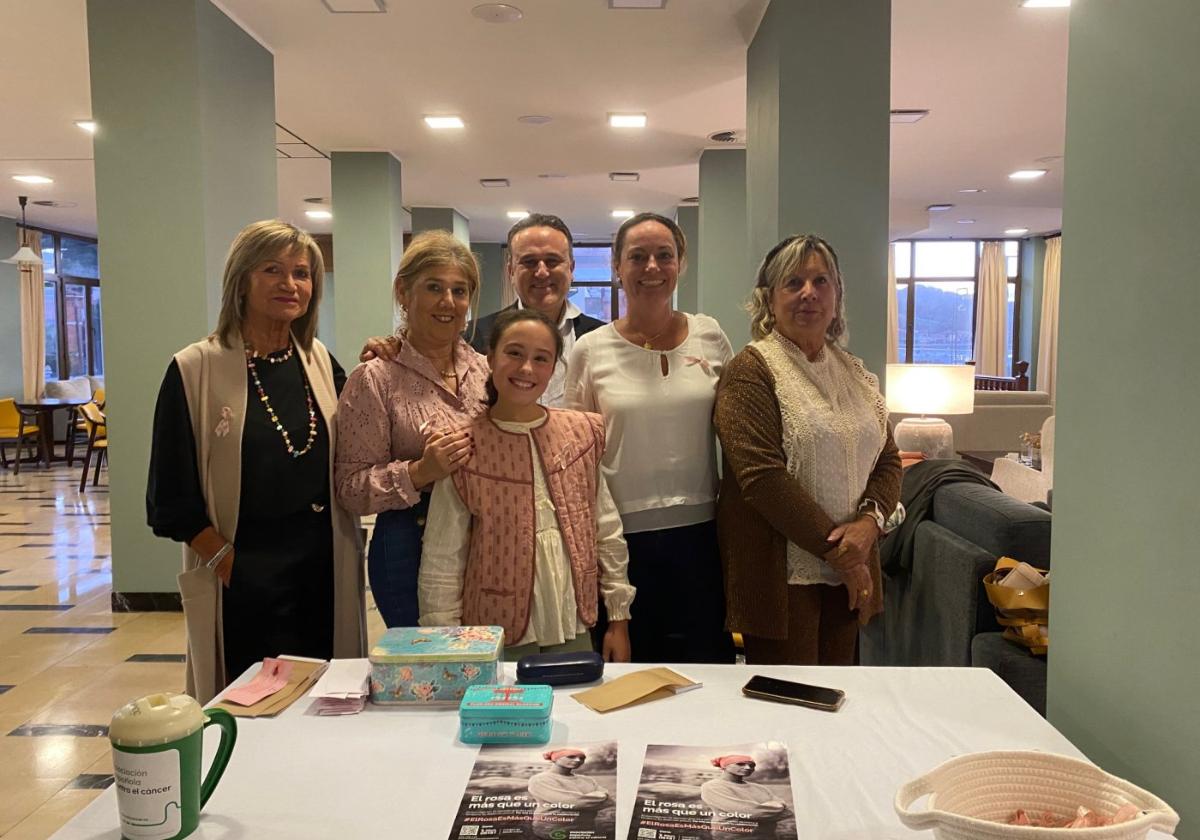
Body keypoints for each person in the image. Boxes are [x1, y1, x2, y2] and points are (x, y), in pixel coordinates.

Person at [147, 219, 365, 703]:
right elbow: (168, 499)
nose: (290, 284)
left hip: (321, 568)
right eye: (273, 270)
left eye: (302, 273)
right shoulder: (194, 369)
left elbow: (361, 437)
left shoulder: (320, 361)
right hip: (244, 575)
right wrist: (227, 562)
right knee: (249, 707)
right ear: (241, 281)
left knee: (321, 701)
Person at [714, 233, 902, 665]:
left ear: (836, 295)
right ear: (769, 297)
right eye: (793, 282)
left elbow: (888, 458)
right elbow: (762, 479)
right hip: (782, 575)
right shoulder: (751, 370)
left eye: (821, 281)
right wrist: (844, 555)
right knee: (790, 707)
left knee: (840, 697)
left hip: (848, 569)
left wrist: (869, 526)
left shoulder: (852, 371)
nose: (808, 293)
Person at [565, 212, 735, 664]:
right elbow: (575, 456)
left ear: (681, 263)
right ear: (617, 267)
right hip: (622, 541)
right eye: (637, 257)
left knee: (705, 671)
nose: (652, 268)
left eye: (665, 255)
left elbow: (738, 426)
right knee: (629, 675)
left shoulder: (710, 335)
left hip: (703, 537)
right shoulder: (591, 350)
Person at [419, 308, 634, 660]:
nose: (526, 369)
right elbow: (443, 559)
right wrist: (446, 644)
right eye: (514, 353)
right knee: (506, 713)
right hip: (492, 632)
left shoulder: (581, 435)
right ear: (490, 357)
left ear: (554, 368)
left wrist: (618, 618)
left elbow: (605, 529)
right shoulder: (464, 446)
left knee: (574, 707)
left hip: (572, 620)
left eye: (541, 358)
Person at [335, 230, 491, 628]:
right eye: (434, 287)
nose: (448, 302)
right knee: (428, 674)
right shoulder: (375, 377)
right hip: (409, 544)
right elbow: (351, 488)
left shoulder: (484, 370)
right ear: (404, 292)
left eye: (459, 290)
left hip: (484, 542)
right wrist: (420, 471)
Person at [467, 213, 605, 406]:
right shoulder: (474, 337)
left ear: (571, 269)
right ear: (511, 271)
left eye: (552, 261)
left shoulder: (602, 339)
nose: (541, 272)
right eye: (529, 262)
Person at [699, 755, 789, 840]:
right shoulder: (712, 786)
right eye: (740, 764)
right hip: (733, 837)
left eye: (752, 765)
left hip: (768, 836)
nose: (748, 768)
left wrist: (765, 810)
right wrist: (773, 809)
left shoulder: (760, 788)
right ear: (725, 766)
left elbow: (786, 810)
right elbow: (750, 812)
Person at [527, 748, 609, 839]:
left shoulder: (588, 780)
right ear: (555, 758)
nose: (578, 760)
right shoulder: (540, 779)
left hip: (586, 828)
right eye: (571, 757)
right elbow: (573, 803)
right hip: (552, 829)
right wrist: (598, 797)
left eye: (582, 758)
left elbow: (610, 801)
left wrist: (585, 800)